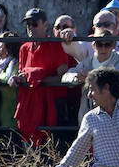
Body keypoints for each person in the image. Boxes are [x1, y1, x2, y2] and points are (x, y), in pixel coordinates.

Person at [12, 8, 73, 147]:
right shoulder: (24, 48)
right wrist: (19, 79)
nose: (30, 28)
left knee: (52, 150)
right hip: (30, 107)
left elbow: (63, 77)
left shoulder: (56, 45)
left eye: (34, 23)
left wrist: (37, 80)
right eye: (28, 24)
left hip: (53, 106)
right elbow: (24, 74)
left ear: (45, 25)